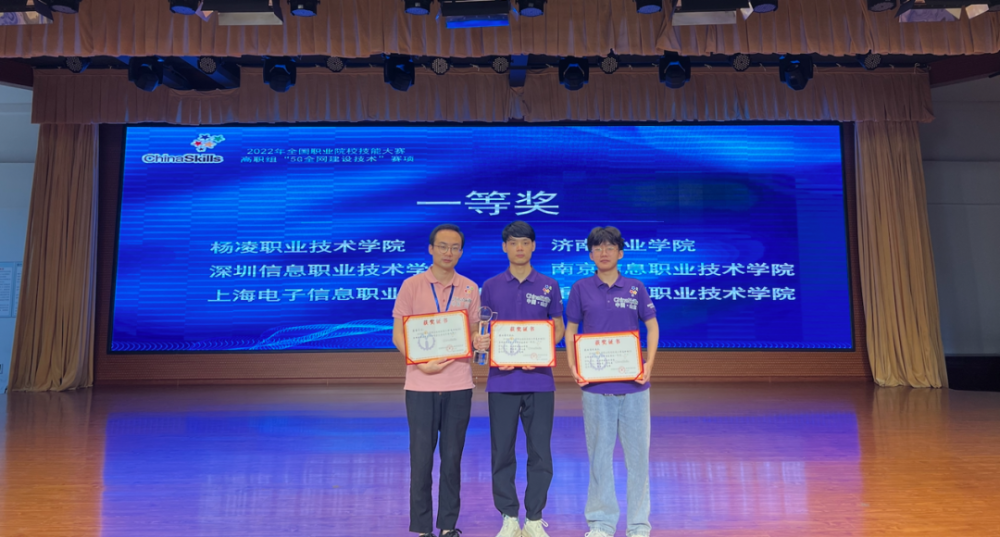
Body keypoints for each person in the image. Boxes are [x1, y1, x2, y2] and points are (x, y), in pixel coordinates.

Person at [565, 226, 659, 537]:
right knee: (599, 458)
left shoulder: (635, 287)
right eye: (597, 248)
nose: (603, 253)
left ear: (620, 252)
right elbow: (571, 329)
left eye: (609, 247)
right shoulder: (581, 288)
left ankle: (638, 525)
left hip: (634, 387)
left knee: (638, 459)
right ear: (590, 254)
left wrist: (649, 363)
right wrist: (573, 366)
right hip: (595, 388)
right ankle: (601, 523)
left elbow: (652, 326)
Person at [392, 223, 480, 537]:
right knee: (421, 460)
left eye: (455, 247)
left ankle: (447, 526)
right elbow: (399, 335)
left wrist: (479, 341)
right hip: (420, 385)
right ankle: (422, 528)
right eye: (442, 246)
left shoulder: (469, 288)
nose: (448, 252)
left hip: (459, 385)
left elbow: (473, 333)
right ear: (431, 249)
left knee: (452, 459)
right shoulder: (412, 285)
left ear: (461, 252)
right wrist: (420, 363)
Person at [479, 221, 565, 537]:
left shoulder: (549, 285)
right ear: (505, 247)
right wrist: (483, 341)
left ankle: (534, 519)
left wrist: (542, 351)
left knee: (540, 452)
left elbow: (558, 326)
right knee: (502, 451)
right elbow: (483, 327)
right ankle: (509, 517)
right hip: (501, 381)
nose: (519, 248)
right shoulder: (490, 286)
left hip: (540, 380)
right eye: (513, 242)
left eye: (525, 242)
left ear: (533, 246)